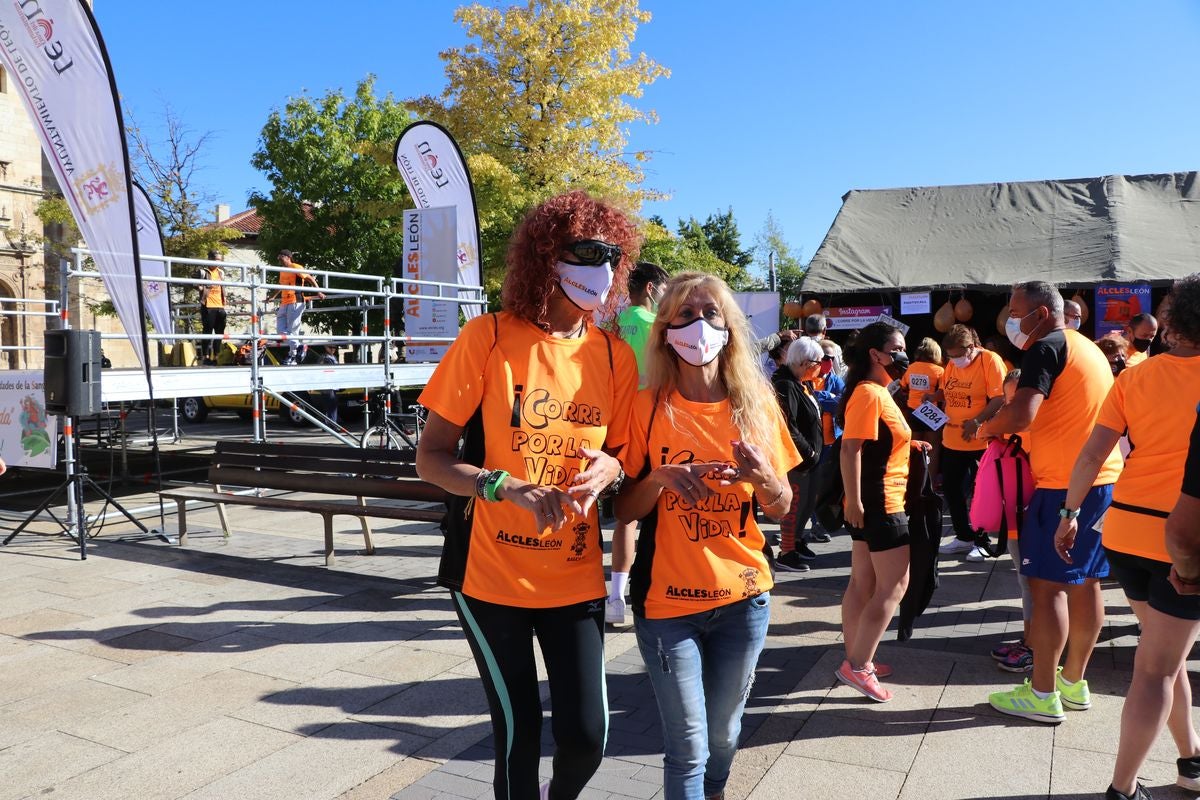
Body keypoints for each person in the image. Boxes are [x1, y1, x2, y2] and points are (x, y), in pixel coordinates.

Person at [415, 191, 640, 800]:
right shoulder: (487, 337)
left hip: (574, 577)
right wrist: (502, 483)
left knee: (588, 736)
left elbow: (622, 456)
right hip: (489, 575)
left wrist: (611, 470)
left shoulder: (616, 357)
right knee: (517, 733)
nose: (603, 267)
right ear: (546, 258)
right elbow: (430, 458)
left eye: (613, 256)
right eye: (587, 252)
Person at [615, 272, 799, 800]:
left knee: (724, 735)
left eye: (711, 313)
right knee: (689, 744)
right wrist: (656, 479)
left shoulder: (758, 405)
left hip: (744, 599)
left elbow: (783, 504)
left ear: (730, 326)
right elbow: (623, 510)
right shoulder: (646, 407)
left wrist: (763, 478)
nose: (699, 325)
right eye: (685, 314)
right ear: (665, 329)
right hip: (667, 602)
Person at [1053, 276, 1200, 800]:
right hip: (1185, 542)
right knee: (1157, 667)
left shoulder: (1135, 376)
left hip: (1125, 531)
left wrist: (1069, 514)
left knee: (1166, 656)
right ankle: (1122, 788)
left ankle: (1191, 761)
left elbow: (1092, 455)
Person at [982, 281, 1123, 725]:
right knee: (1087, 584)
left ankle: (1042, 693)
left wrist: (983, 428)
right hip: (1102, 482)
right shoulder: (1089, 349)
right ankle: (1073, 682)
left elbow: (1023, 413)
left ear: (1041, 314)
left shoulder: (1047, 347)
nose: (1009, 319)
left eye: (1015, 310)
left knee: (1047, 590)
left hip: (1063, 487)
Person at [836, 321, 931, 702]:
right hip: (882, 502)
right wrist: (854, 500)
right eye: (896, 348)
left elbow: (877, 444)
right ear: (875, 354)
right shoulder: (869, 393)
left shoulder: (878, 391)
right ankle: (857, 666)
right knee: (894, 585)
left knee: (864, 583)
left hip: (877, 498)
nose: (903, 355)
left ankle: (860, 657)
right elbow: (850, 449)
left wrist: (912, 446)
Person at [608, 261, 670, 624]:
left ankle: (615, 598)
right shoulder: (658, 327)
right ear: (651, 288)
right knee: (662, 511)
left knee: (625, 517)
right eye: (663, 289)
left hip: (618, 424)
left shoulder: (612, 325)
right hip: (654, 422)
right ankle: (655, 588)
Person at [934, 324, 1006, 561]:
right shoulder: (952, 363)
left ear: (971, 347)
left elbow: (1000, 397)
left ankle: (982, 541)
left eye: (957, 355)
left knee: (982, 492)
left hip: (980, 439)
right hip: (952, 438)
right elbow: (947, 390)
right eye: (950, 356)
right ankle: (963, 536)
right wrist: (934, 397)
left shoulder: (990, 360)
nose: (953, 360)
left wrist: (977, 421)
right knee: (952, 490)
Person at [986, 369, 1036, 673]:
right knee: (1025, 581)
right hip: (1017, 512)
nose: (1012, 406)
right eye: (1008, 400)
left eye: (1019, 398)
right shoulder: (1009, 428)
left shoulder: (1041, 427)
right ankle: (1030, 640)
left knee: (1034, 583)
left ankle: (1034, 647)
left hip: (1037, 512)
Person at [774, 335, 825, 572]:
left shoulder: (802, 384)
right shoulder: (785, 385)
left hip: (810, 458)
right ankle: (786, 552)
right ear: (805, 363)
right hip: (797, 460)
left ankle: (796, 541)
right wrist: (809, 452)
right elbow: (788, 426)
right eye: (818, 364)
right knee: (794, 505)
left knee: (806, 503)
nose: (820, 369)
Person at [269, 250, 324, 365]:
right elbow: (280, 286)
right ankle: (299, 347)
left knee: (292, 331)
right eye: (279, 256)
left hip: (296, 301)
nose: (279, 258)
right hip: (284, 302)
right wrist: (272, 297)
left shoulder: (295, 267)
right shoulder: (282, 271)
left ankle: (292, 356)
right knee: (280, 331)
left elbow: (310, 278)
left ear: (288, 257)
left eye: (282, 256)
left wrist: (319, 292)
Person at [196, 251, 227, 365]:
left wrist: (225, 298)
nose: (218, 262)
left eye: (219, 260)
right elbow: (192, 283)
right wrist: (200, 288)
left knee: (220, 331)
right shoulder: (203, 271)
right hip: (208, 304)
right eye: (216, 260)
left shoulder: (221, 272)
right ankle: (206, 356)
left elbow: (222, 286)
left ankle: (217, 355)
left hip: (220, 305)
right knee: (207, 331)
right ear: (209, 259)